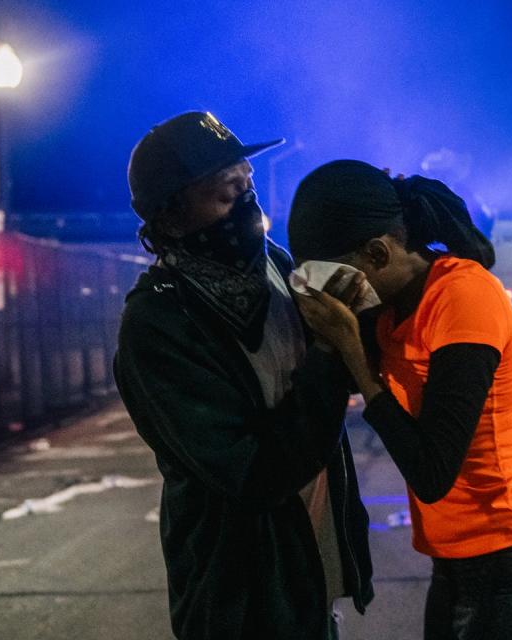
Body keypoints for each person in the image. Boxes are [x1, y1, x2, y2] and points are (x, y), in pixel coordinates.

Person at [287, 159, 512, 640]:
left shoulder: (463, 296)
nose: (330, 294)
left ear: (378, 253)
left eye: (335, 278)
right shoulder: (386, 313)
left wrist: (355, 355)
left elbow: (432, 472)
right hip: (455, 565)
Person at [113, 114, 373, 640]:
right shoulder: (159, 322)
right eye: (226, 194)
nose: (248, 206)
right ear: (171, 218)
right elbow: (252, 473)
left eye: (247, 185)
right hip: (241, 597)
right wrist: (329, 353)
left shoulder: (275, 265)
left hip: (309, 577)